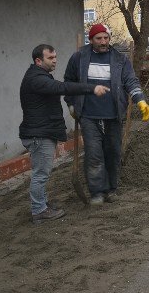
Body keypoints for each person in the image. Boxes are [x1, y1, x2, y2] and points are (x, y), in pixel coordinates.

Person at [20, 44, 110, 224]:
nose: (55, 60)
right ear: (38, 61)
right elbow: (63, 87)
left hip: (42, 132)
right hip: (39, 134)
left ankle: (42, 204)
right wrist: (91, 88)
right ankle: (39, 211)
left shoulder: (40, 76)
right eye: (50, 58)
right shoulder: (37, 79)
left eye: (55, 57)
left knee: (42, 172)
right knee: (41, 174)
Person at [64, 24, 149, 205]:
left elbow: (131, 81)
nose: (103, 42)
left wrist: (140, 100)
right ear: (91, 40)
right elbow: (69, 82)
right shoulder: (79, 58)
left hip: (113, 115)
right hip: (88, 115)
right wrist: (71, 104)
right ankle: (97, 192)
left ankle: (111, 189)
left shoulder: (120, 59)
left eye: (106, 38)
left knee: (112, 153)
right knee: (94, 154)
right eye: (99, 38)